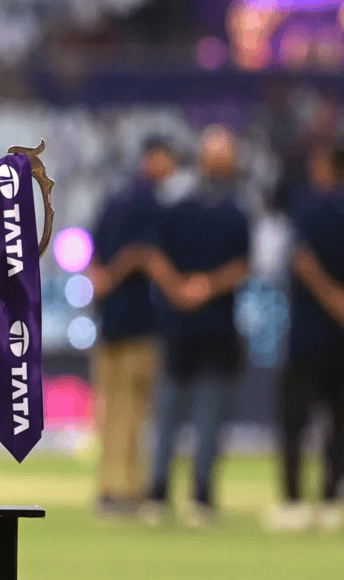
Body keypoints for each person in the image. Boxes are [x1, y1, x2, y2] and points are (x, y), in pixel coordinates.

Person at [141, 125, 250, 526]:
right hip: (201, 327)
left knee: (186, 414)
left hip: (201, 327)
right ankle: (182, 495)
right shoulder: (225, 209)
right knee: (188, 415)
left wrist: (185, 289)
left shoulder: (196, 207)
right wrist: (198, 288)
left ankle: (177, 494)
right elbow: (241, 266)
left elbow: (154, 256)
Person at [87, 137, 174, 516]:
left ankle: (109, 486)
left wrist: (101, 278)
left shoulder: (114, 200)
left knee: (110, 407)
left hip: (108, 321)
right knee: (135, 409)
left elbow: (92, 248)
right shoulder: (151, 204)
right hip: (139, 321)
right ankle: (128, 487)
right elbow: (145, 254)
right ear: (153, 159)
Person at [266, 142, 344, 533]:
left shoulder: (309, 206)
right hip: (338, 336)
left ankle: (294, 501)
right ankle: (332, 499)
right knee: (339, 420)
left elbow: (300, 258)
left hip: (307, 334)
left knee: (295, 420)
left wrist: (329, 295)